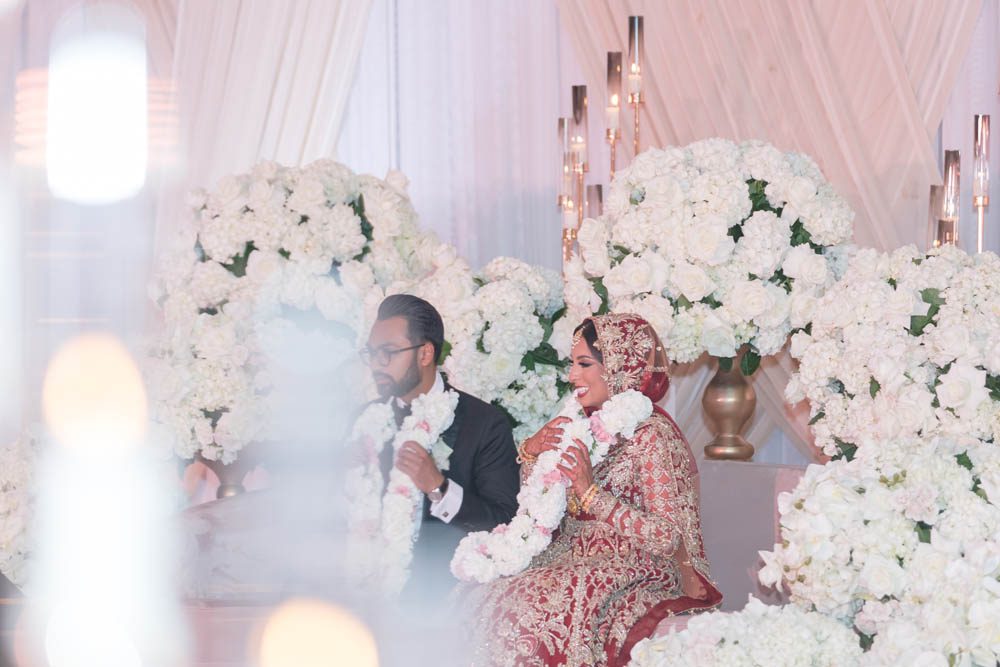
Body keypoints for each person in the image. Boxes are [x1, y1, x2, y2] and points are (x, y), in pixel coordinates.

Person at [463, 313, 722, 667]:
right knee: (478, 593)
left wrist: (592, 496)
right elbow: (541, 509)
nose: (572, 376)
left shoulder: (651, 435)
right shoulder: (579, 424)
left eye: (584, 364)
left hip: (635, 565)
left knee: (531, 606)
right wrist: (531, 455)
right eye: (573, 364)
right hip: (569, 555)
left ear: (619, 366)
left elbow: (667, 537)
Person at [361, 294, 520, 596]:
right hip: (361, 590)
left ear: (425, 354)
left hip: (443, 596)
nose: (376, 365)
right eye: (371, 353)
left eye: (389, 353)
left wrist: (439, 488)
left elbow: (503, 521)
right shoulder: (364, 421)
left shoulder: (484, 424)